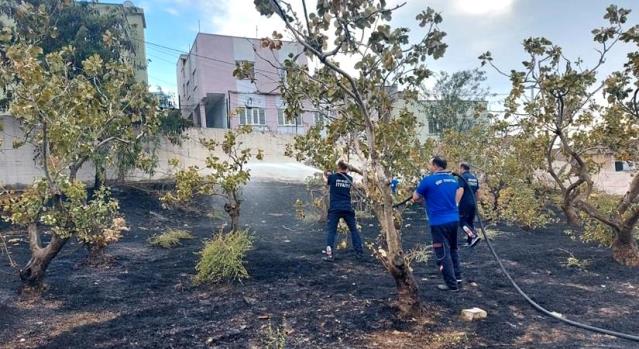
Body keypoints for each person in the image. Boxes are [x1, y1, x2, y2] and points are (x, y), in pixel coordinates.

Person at [412, 156, 463, 291]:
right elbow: (459, 191)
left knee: (442, 253)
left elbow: (415, 197)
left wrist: (424, 199)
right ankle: (458, 279)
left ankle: (451, 285)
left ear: (435, 165)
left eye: (431, 165)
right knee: (453, 249)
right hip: (454, 220)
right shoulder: (453, 179)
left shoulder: (428, 180)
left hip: (438, 222)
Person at [323, 160, 364, 262]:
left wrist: (325, 174)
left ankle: (329, 255)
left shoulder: (332, 177)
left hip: (335, 209)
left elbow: (326, 181)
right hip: (347, 208)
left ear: (338, 167)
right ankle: (359, 253)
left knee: (332, 231)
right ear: (347, 168)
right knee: (353, 230)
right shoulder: (349, 179)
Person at [458, 162, 481, 247]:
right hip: (473, 203)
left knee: (461, 221)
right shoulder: (474, 178)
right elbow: (478, 192)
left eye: (459, 168)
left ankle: (473, 235)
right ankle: (469, 242)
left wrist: (456, 203)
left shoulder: (462, 177)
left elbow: (461, 190)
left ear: (462, 168)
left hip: (465, 203)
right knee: (470, 222)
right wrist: (476, 202)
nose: (459, 170)